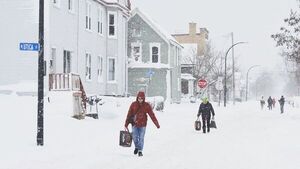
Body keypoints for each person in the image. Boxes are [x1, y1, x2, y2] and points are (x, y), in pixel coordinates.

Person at [124, 91, 160, 157]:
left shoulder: (146, 105)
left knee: (141, 138)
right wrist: (126, 124)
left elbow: (152, 115)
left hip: (143, 125)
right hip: (134, 124)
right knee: (134, 137)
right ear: (137, 98)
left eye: (141, 98)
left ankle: (140, 150)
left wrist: (156, 124)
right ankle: (137, 147)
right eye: (139, 98)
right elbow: (129, 114)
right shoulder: (133, 104)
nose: (140, 100)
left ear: (143, 98)